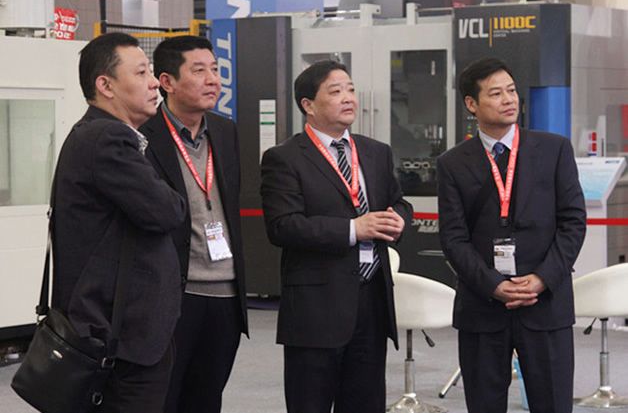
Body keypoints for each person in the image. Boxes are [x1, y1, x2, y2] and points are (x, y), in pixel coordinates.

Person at [260, 60, 413, 413]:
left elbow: (398, 202)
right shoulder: (285, 158)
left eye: (351, 89)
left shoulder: (375, 152)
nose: (348, 98)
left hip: (371, 303)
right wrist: (353, 229)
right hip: (316, 308)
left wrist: (399, 219)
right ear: (308, 105)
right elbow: (282, 225)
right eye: (336, 91)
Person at [437, 56, 586, 413]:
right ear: (471, 104)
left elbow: (573, 222)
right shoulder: (453, 163)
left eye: (512, 90)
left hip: (545, 303)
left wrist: (542, 278)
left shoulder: (554, 149)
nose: (508, 100)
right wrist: (493, 285)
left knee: (553, 403)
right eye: (495, 93)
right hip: (483, 305)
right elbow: (454, 238)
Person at [51, 32, 187, 412]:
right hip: (121, 339)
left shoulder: (96, 134)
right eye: (141, 73)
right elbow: (168, 211)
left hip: (117, 332)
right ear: (105, 86)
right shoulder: (109, 139)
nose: (154, 83)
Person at [140, 35, 248, 413]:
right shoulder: (143, 134)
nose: (213, 80)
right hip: (173, 293)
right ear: (167, 82)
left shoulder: (225, 130)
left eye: (215, 70)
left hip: (226, 294)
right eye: (199, 71)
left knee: (207, 399)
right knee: (163, 399)